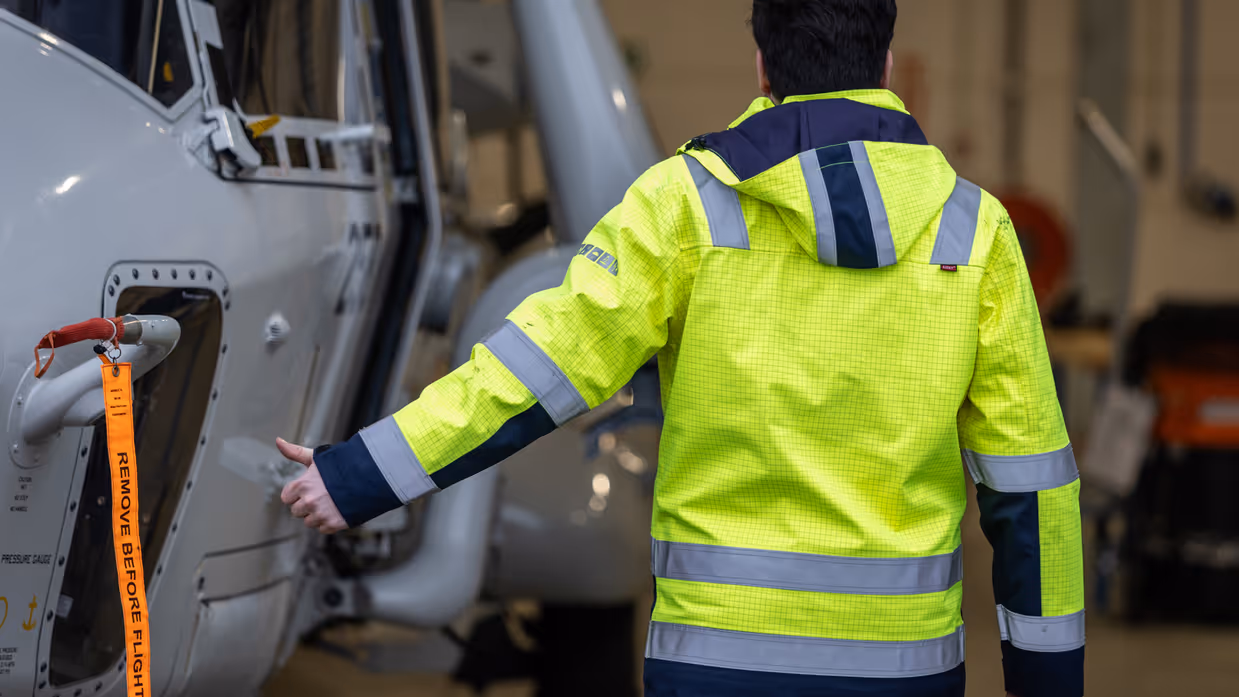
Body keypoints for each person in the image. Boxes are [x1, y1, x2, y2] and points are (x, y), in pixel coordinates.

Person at [277, 1, 1085, 694]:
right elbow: (1031, 489)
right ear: (879, 61)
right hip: (905, 668)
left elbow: (536, 367)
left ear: (761, 62)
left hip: (713, 662)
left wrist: (361, 473)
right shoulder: (974, 230)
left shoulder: (684, 203)